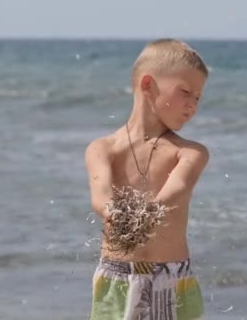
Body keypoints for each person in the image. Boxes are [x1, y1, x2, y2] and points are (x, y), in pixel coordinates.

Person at [85, 38, 210, 319]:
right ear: (147, 85)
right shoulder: (103, 149)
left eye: (198, 97)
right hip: (117, 280)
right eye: (185, 91)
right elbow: (101, 197)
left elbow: (178, 186)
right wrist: (115, 214)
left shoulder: (190, 152)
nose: (193, 104)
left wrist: (149, 211)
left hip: (174, 280)